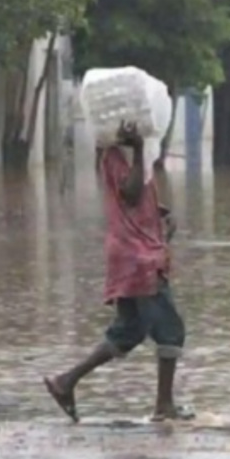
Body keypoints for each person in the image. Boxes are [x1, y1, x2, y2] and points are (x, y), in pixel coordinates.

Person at [44, 121, 193, 423]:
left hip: (130, 254)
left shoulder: (120, 155)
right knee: (171, 330)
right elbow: (130, 193)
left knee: (130, 330)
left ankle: (66, 382)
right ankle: (164, 405)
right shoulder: (116, 155)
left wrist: (160, 211)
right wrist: (138, 149)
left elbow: (132, 198)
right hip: (140, 258)